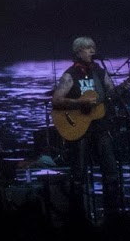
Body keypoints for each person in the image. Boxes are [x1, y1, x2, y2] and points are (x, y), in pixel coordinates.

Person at [49, 37, 125, 224]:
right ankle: (78, 218)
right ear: (78, 52)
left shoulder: (100, 72)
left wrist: (127, 86)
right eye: (87, 48)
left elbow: (112, 93)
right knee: (79, 175)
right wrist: (79, 102)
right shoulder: (70, 75)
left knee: (111, 172)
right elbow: (56, 100)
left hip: (100, 128)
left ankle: (112, 216)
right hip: (79, 129)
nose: (92, 51)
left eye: (93, 47)